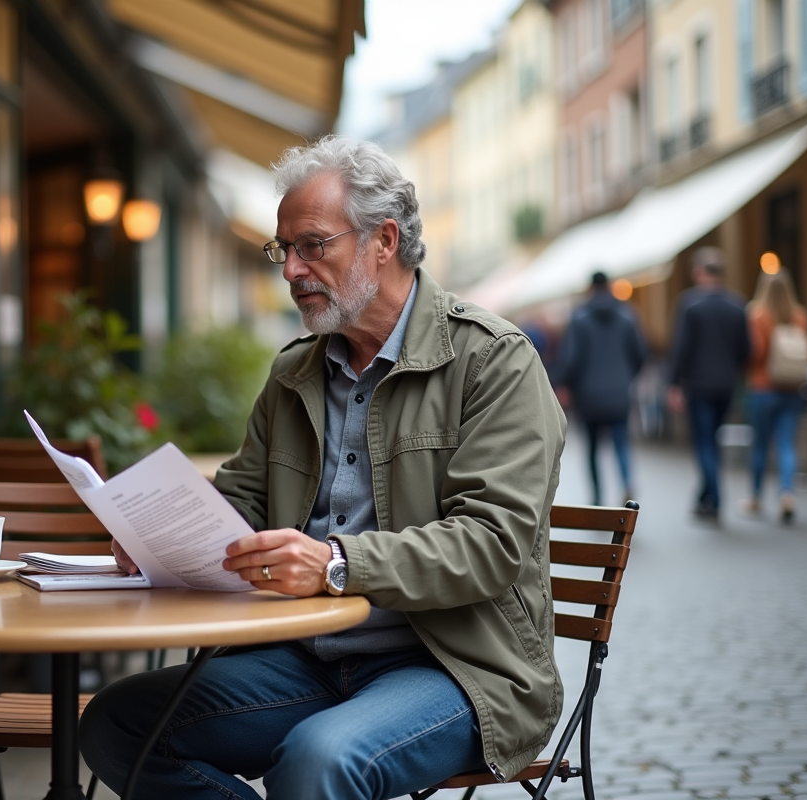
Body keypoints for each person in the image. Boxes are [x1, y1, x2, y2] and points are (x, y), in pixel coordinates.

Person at [78, 136, 568, 800]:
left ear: (383, 241)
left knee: (318, 760)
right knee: (117, 723)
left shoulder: (493, 361)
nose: (291, 270)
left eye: (313, 245)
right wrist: (155, 534)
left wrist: (337, 563)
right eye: (284, 250)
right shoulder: (294, 372)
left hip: (460, 667)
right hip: (309, 658)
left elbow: (493, 546)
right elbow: (243, 500)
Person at [667, 247, 750, 520]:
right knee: (711, 440)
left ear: (700, 273)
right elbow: (745, 349)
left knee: (704, 442)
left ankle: (714, 498)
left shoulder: (690, 304)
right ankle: (705, 495)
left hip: (699, 385)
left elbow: (681, 348)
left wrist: (674, 383)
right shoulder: (737, 305)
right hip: (727, 385)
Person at [555, 271, 648, 505]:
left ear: (590, 287)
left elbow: (572, 357)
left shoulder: (580, 317)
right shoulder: (627, 315)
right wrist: (626, 377)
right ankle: (627, 484)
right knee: (622, 443)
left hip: (589, 395)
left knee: (593, 449)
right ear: (609, 286)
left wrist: (564, 383)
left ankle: (597, 497)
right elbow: (640, 354)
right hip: (619, 393)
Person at [742, 268, 807, 522]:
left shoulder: (758, 315)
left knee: (760, 444)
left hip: (763, 388)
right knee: (786, 443)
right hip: (793, 389)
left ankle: (756, 497)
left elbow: (756, 354)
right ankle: (787, 494)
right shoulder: (799, 315)